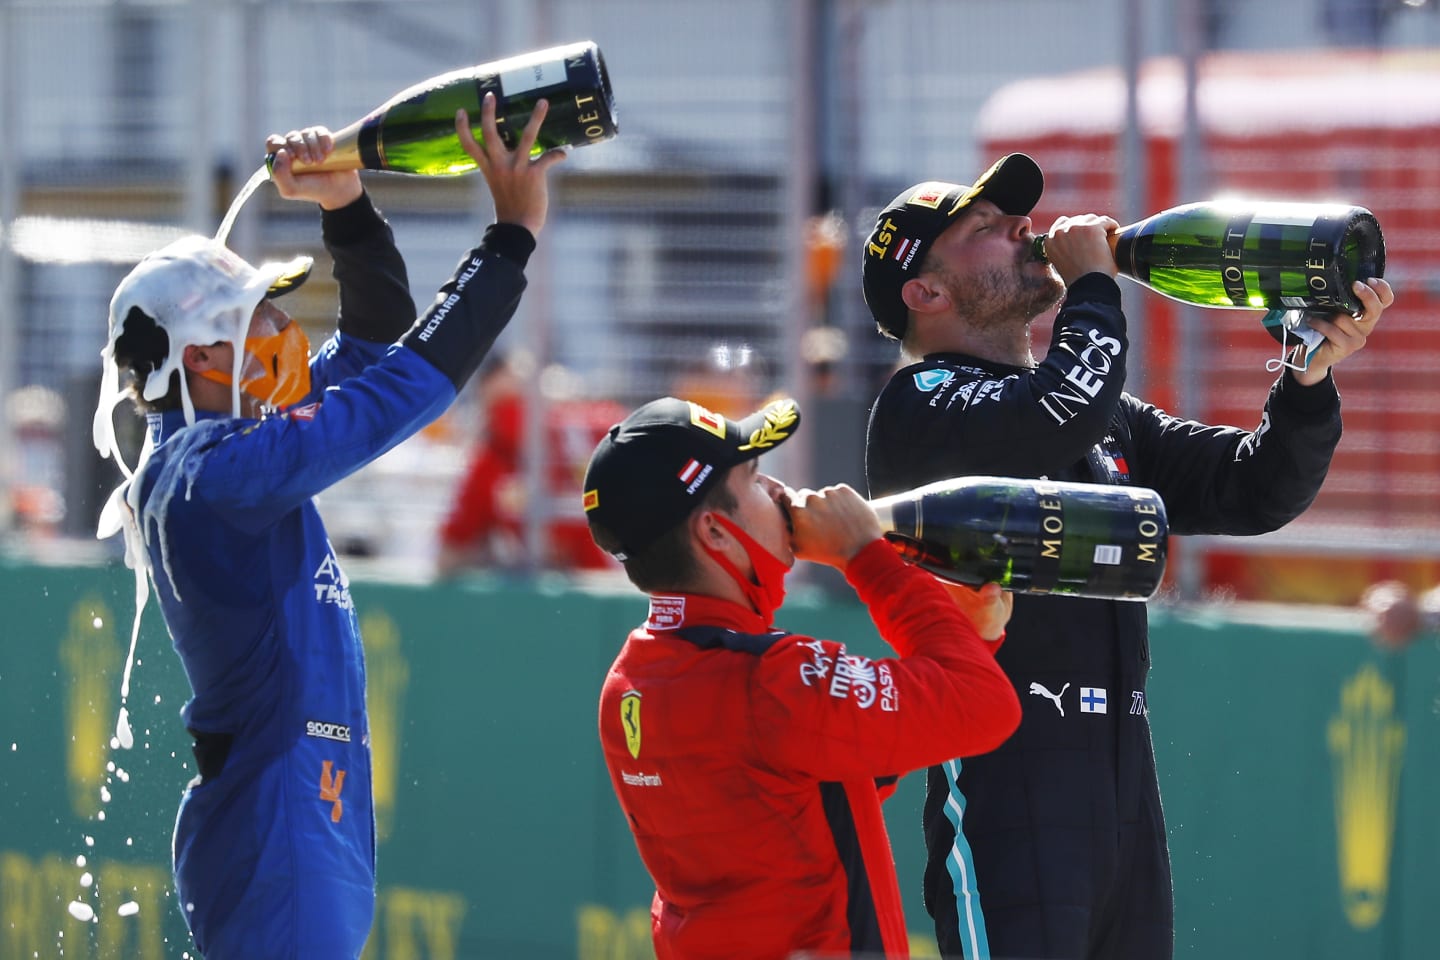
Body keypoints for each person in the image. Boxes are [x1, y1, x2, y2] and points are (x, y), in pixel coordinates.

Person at [859, 154, 1395, 960]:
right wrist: (1095, 286)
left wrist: (1305, 378)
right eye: (985, 229)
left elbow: (1254, 490)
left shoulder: (1099, 417)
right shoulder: (921, 402)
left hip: (1121, 788)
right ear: (925, 292)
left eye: (1015, 218)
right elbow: (1054, 414)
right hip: (1009, 782)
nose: (1022, 229)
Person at [90, 94, 565, 959]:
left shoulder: (221, 444)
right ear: (201, 357)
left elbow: (376, 346)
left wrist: (347, 208)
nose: (283, 329)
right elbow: (400, 391)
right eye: (259, 317)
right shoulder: (210, 474)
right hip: (280, 824)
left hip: (297, 810)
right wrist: (509, 242)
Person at [581, 395, 1023, 960]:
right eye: (756, 477)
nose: (781, 494)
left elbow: (846, 773)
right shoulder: (765, 679)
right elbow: (985, 707)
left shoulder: (632, 675)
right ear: (715, 533)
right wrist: (866, 557)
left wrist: (970, 640)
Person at [434, 354, 621, 575]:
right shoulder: (490, 462)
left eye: (519, 400)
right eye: (503, 406)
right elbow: (451, 547)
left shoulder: (583, 430)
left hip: (618, 574)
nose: (511, 415)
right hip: (596, 579)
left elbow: (448, 554)